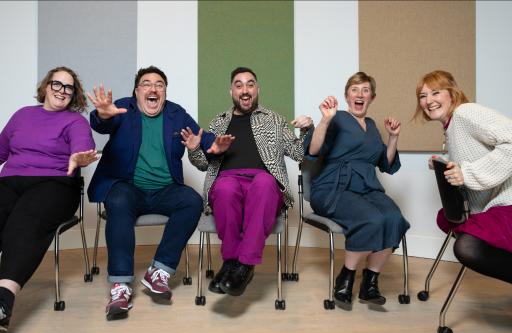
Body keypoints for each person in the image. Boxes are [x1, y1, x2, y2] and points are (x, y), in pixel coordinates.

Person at [87, 66, 233, 320]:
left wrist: (215, 146)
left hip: (166, 189)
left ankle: (159, 271)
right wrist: (102, 115)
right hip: (128, 187)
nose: (153, 89)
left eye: (159, 85)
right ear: (137, 91)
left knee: (191, 201)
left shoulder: (176, 114)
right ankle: (120, 286)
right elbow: (102, 123)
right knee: (118, 199)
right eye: (146, 84)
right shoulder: (123, 108)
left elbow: (201, 137)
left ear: (165, 92)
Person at [182, 67, 312, 297]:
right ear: (231, 91)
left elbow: (299, 154)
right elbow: (203, 163)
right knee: (224, 187)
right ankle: (232, 263)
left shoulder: (274, 120)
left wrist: (307, 130)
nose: (245, 89)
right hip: (228, 180)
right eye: (239, 85)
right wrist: (194, 150)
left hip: (264, 183)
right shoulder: (218, 123)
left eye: (250, 84)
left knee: (263, 182)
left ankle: (245, 265)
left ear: (257, 89)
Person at [0, 66, 97, 333]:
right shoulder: (22, 115)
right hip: (10, 182)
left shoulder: (75, 121)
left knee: (24, 220)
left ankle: (3, 302)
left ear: (73, 95)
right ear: (45, 87)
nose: (62, 91)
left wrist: (79, 157)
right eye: (57, 84)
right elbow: (1, 150)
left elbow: (81, 144)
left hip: (55, 184)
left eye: (68, 88)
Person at [304, 72, 410, 309]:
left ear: (372, 97)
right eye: (354, 89)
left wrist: (393, 138)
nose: (360, 94)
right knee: (371, 219)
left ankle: (370, 283)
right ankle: (346, 277)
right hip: (333, 187)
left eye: (365, 90)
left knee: (394, 219)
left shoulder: (372, 126)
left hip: (366, 188)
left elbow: (386, 163)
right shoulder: (338, 118)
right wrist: (324, 120)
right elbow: (313, 150)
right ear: (346, 95)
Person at [415, 70, 512, 283]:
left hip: (508, 202)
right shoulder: (450, 127)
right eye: (423, 96)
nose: (428, 101)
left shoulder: (466, 113)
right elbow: (475, 154)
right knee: (454, 226)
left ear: (452, 93)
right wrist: (447, 166)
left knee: (468, 247)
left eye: (435, 93)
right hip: (492, 205)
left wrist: (467, 173)